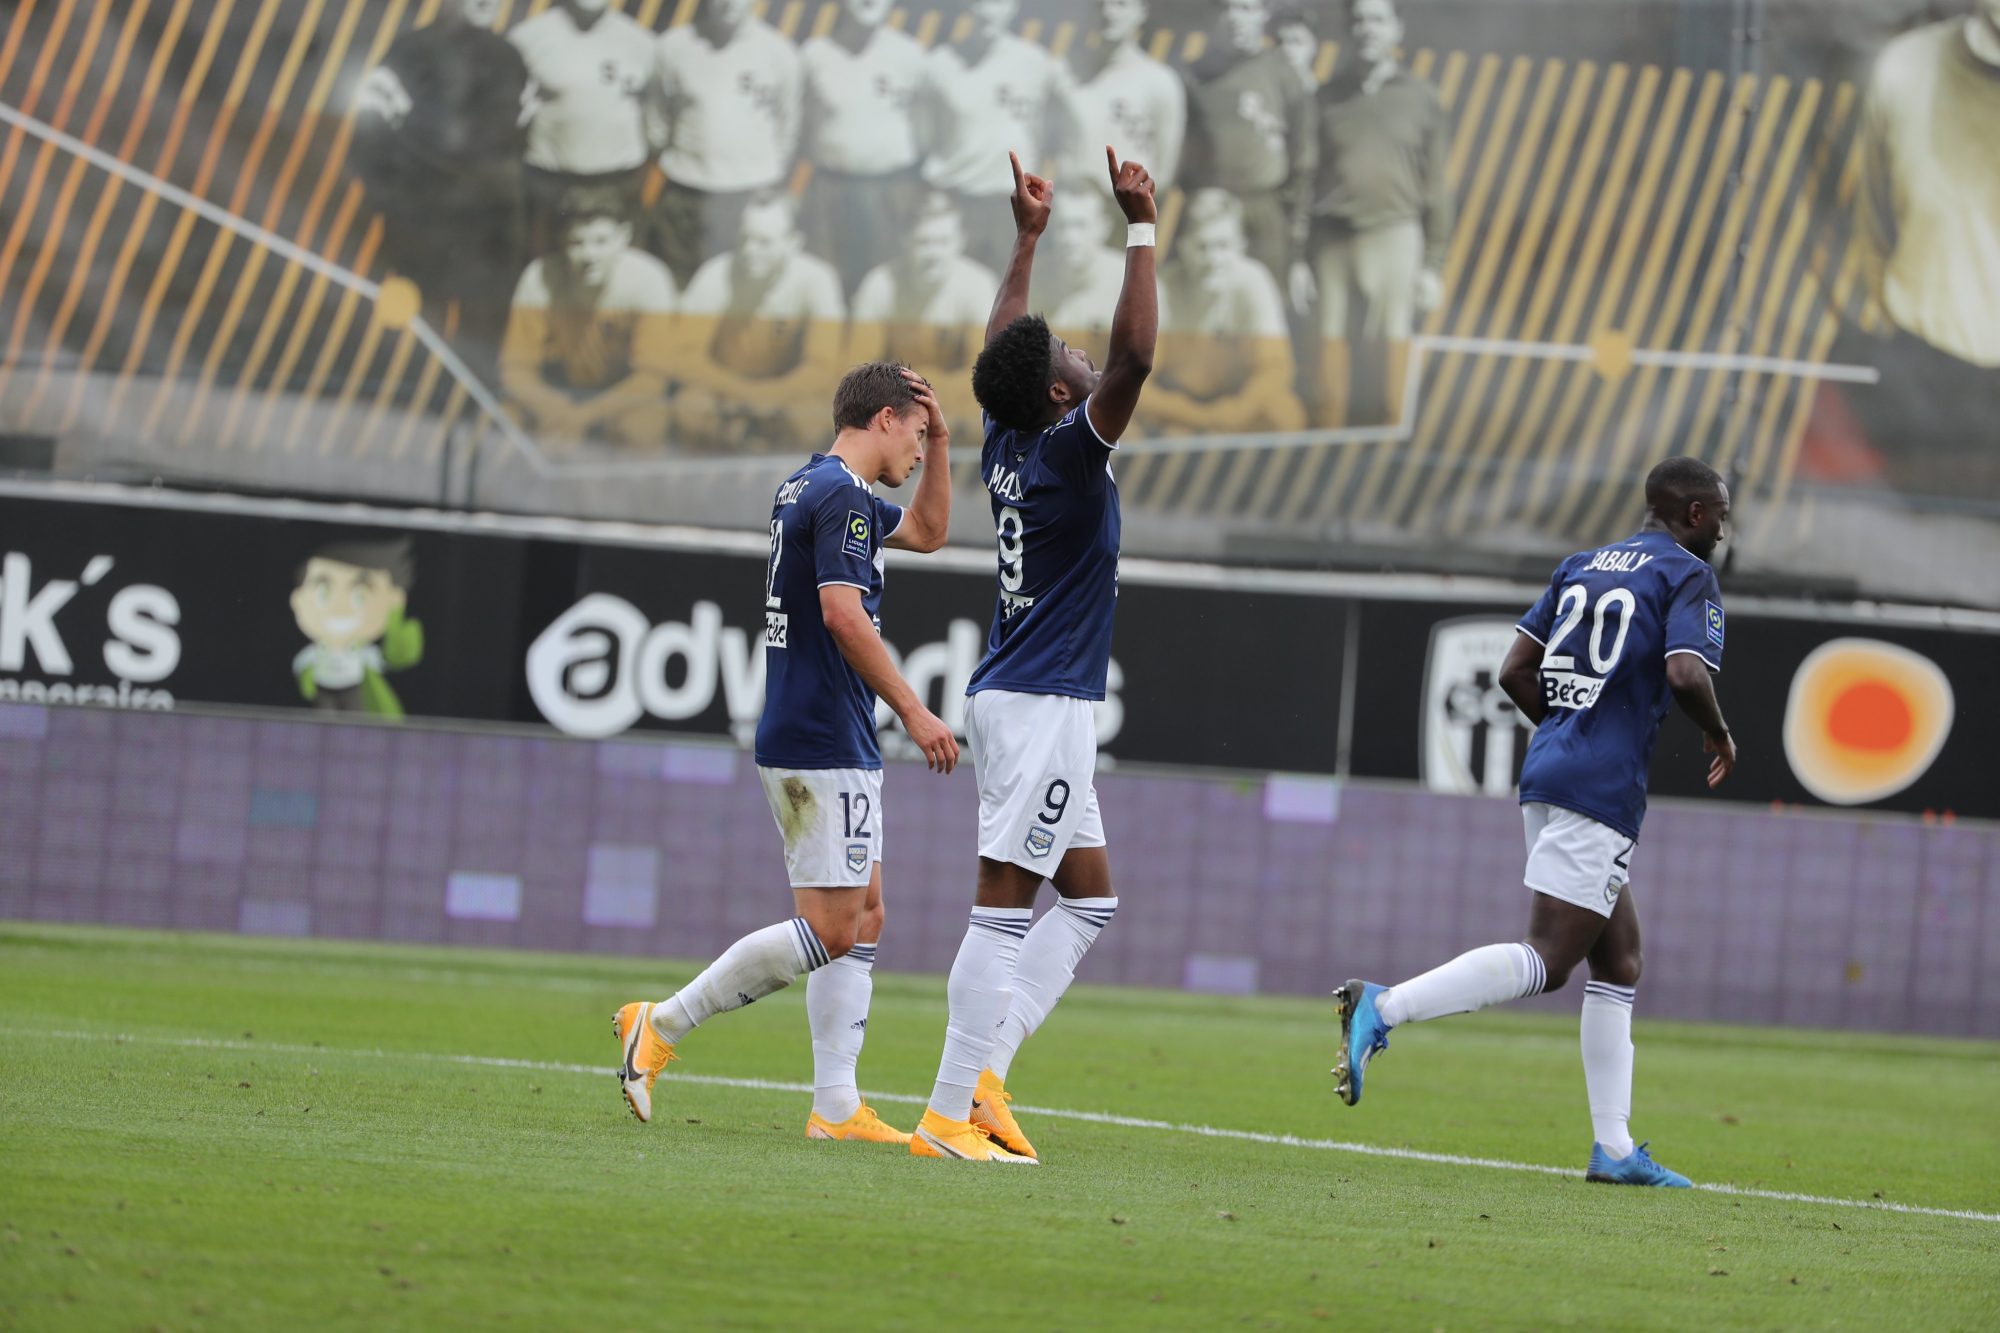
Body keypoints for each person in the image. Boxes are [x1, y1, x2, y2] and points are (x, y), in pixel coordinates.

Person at [1333, 456, 1738, 1190]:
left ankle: (1614, 1148)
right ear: (1696, 514)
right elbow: (1685, 673)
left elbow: (1516, 670)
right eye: (1722, 516)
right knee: (1550, 960)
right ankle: (1384, 1006)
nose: (1723, 531)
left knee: (1618, 960)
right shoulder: (1686, 574)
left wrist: (1570, 728)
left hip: (1550, 769)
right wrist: (1718, 732)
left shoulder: (1581, 565)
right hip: (1601, 785)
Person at [615, 362, 958, 1141]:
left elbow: (931, 533)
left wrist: (942, 439)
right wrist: (914, 709)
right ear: (883, 419)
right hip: (822, 732)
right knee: (832, 928)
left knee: (865, 914)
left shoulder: (813, 485)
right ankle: (660, 1023)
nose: (917, 450)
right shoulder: (842, 496)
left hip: (820, 728)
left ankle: (836, 1107)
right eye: (914, 432)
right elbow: (842, 613)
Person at [908, 148, 1157, 1164]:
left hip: (1026, 695)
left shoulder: (1009, 436)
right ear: (1061, 394)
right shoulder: (1065, 452)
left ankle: (984, 1078)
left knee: (1089, 897)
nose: (1082, 353)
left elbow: (1002, 349)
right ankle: (942, 1115)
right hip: (1040, 704)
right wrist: (1141, 226)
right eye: (1068, 355)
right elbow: (1136, 358)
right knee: (1002, 909)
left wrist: (1026, 238)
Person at [348, 0, 529, 383]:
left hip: (482, 216)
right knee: (408, 310)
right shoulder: (410, 50)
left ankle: (466, 391)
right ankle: (395, 383)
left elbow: (522, 142)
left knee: (480, 313)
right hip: (419, 211)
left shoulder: (509, 59)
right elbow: (371, 126)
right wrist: (388, 195)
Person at [1303, 0, 1452, 422]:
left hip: (1395, 233)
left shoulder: (1421, 97)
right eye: (1360, 20)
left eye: (1378, 20)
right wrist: (1300, 253)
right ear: (1349, 30)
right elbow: (1305, 178)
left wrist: (1433, 265)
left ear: (1396, 29)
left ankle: (1390, 439)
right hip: (1332, 237)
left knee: (1391, 343)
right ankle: (1327, 437)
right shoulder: (1325, 98)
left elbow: (1438, 187)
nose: (1368, 28)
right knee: (1328, 344)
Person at [499, 188, 677, 450]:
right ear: (562, 240)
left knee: (644, 427)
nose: (590, 255)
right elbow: (514, 368)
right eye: (577, 243)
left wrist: (584, 416)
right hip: (556, 392)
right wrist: (552, 407)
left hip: (621, 398)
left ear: (624, 237)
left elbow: (652, 379)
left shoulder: (649, 280)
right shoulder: (539, 278)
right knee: (503, 420)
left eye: (601, 241)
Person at [671, 192, 848, 451]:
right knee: (689, 409)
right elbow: (685, 357)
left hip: (788, 399)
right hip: (722, 394)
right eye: (745, 239)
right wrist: (744, 393)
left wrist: (773, 395)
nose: (749, 251)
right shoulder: (714, 274)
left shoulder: (818, 279)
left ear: (793, 243)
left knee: (812, 420)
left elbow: (823, 366)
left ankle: (797, 475)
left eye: (764, 242)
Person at [652, 0, 804, 288]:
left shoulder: (780, 52)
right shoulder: (672, 47)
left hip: (750, 194)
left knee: (743, 289)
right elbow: (657, 122)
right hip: (686, 192)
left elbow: (788, 128)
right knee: (680, 284)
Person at [921, 0, 1079, 272]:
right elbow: (923, 136)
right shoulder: (938, 64)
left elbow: (1073, 121)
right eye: (979, 2)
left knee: (1011, 288)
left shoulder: (1037, 63)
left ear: (1012, 6)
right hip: (954, 201)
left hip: (1013, 203)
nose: (987, 11)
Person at [1141, 188, 1305, 434]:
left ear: (1241, 246)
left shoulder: (1254, 281)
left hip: (1236, 401)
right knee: (1148, 427)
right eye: (1202, 247)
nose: (1213, 259)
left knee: (1285, 413)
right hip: (1179, 405)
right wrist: (1197, 417)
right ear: (1183, 246)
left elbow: (1275, 369)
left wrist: (1235, 412)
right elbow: (1137, 380)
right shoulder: (1160, 287)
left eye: (1223, 246)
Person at [798, 0, 932, 296]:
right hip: (829, 191)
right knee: (828, 283)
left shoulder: (912, 55)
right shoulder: (814, 54)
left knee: (889, 285)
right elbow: (800, 127)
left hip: (893, 191)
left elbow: (926, 131)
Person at [1178, 0, 1315, 288]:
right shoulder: (1194, 74)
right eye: (1228, 7)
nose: (1236, 18)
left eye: (1247, 8)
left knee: (1266, 300)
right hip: (1209, 210)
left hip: (1264, 211)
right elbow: (1180, 155)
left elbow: (1303, 158)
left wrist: (1296, 237)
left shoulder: (1283, 72)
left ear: (1264, 14)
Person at [508, 0, 660, 259]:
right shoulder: (527, 38)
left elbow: (657, 119)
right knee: (543, 268)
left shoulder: (643, 43)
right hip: (551, 181)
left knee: (615, 271)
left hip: (618, 181)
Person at [849, 194, 998, 431]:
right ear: (904, 241)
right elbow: (858, 368)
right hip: (892, 415)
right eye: (923, 243)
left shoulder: (979, 285)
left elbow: (986, 374)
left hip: (960, 413)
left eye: (942, 242)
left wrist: (927, 390)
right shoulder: (879, 285)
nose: (933, 255)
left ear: (960, 241)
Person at [1061, 0, 1186, 201]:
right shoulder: (1065, 72)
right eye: (1101, 4)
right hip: (1071, 205)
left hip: (1124, 208)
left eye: (1121, 3)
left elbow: (1164, 170)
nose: (1109, 12)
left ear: (1141, 10)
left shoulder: (1160, 81)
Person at [289, 537, 424, 720]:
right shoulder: (314, 653)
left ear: (394, 600)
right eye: (323, 593)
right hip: (324, 690)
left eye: (360, 596)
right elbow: (304, 669)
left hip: (354, 691)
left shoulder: (365, 653)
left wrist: (397, 628)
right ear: (297, 599)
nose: (340, 609)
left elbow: (394, 659)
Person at [1034, 188, 1128, 342]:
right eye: (1062, 225)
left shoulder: (1132, 281)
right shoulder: (1033, 279)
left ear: (1104, 228)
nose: (1069, 238)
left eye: (1080, 225)